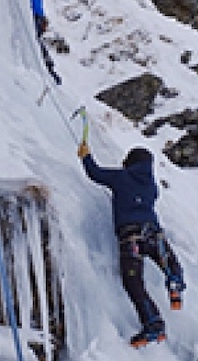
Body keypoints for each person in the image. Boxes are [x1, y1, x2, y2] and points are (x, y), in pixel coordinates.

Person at [78, 142, 185, 347]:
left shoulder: (122, 177)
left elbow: (95, 173)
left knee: (134, 284)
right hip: (154, 236)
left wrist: (86, 155)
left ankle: (153, 323)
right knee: (167, 260)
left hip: (131, 238)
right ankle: (174, 281)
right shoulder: (152, 187)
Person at [28, 0, 61, 85]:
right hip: (39, 17)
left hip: (35, 16)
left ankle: (48, 68)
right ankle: (49, 68)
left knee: (34, 41)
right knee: (36, 41)